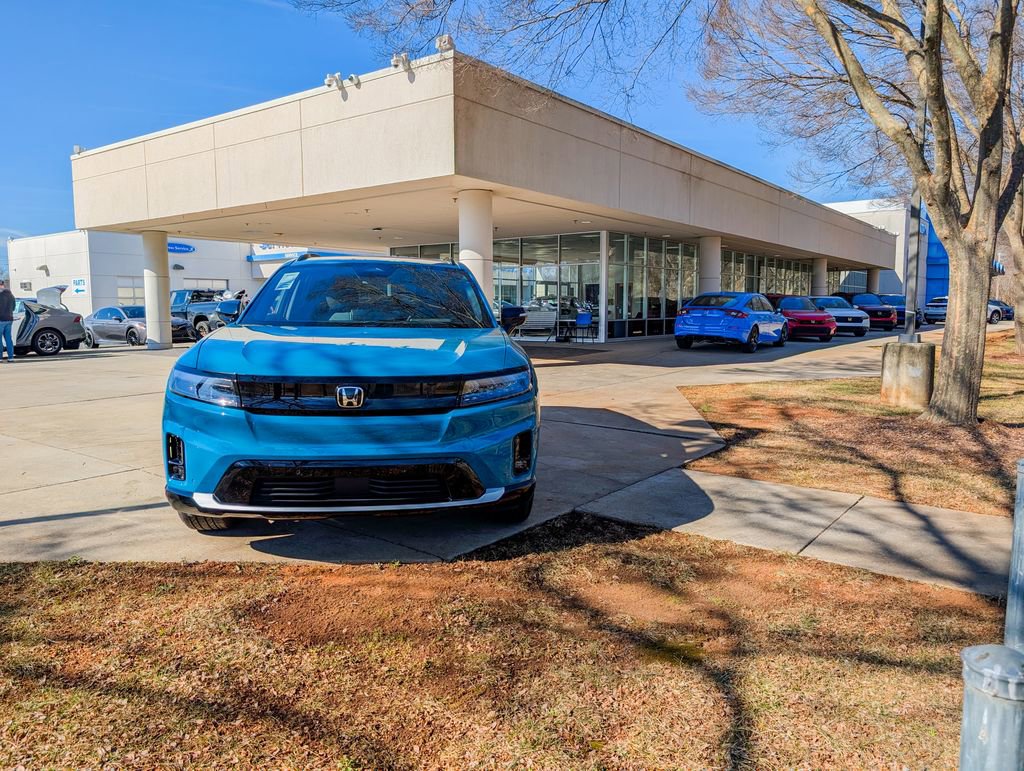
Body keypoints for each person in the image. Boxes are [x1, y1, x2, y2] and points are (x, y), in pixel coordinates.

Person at [0, 280, 15, 363]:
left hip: (0, 319)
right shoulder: (10, 295)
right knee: (8, 339)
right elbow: (13, 307)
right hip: (9, 319)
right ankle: (10, 357)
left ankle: (0, 357)